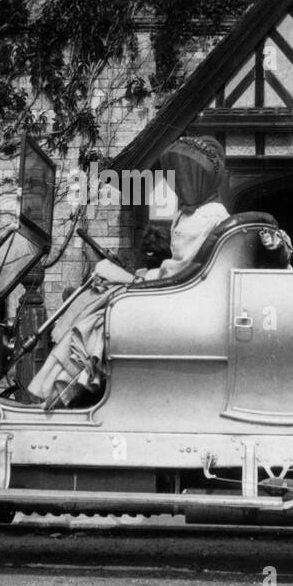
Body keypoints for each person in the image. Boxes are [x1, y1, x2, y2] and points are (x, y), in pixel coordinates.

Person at [27, 136, 231, 408]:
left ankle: (68, 392)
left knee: (97, 317)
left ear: (202, 179)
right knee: (94, 298)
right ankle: (61, 391)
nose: (181, 184)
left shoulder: (211, 216)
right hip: (175, 291)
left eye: (187, 176)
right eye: (179, 177)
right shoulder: (189, 213)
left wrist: (132, 279)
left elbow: (186, 274)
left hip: (183, 299)